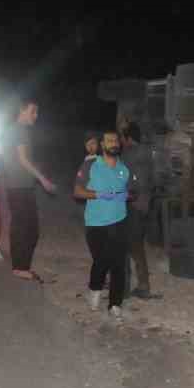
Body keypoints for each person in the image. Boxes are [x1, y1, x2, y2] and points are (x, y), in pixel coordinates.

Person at [72, 129, 132, 320]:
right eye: (109, 141)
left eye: (116, 140)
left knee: (119, 264)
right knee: (101, 260)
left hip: (120, 221)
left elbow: (132, 191)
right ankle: (95, 289)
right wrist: (99, 194)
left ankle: (115, 303)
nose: (113, 143)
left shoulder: (124, 169)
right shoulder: (90, 165)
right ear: (102, 145)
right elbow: (77, 192)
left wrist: (128, 196)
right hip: (96, 223)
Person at [1, 99, 56, 281]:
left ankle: (20, 265)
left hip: (14, 184)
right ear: (22, 111)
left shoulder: (9, 130)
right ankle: (20, 267)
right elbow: (23, 159)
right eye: (33, 111)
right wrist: (42, 179)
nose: (36, 116)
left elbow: (1, 153)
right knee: (29, 228)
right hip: (21, 185)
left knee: (21, 225)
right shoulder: (20, 131)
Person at [120, 123, 156, 299]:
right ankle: (143, 285)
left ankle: (124, 287)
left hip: (131, 205)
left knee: (125, 246)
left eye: (122, 138)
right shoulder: (148, 153)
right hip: (143, 205)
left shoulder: (129, 155)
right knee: (137, 247)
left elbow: (130, 181)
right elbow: (150, 180)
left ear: (128, 138)